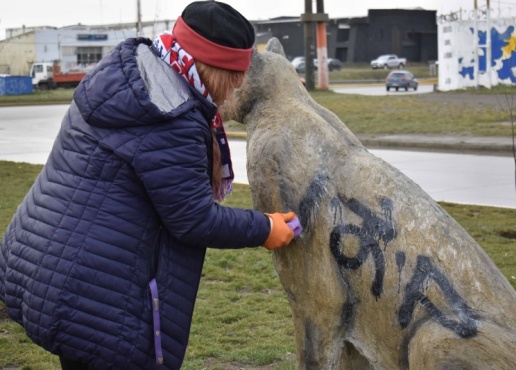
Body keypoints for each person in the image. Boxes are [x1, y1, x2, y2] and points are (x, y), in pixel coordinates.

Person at [0, 1, 300, 369]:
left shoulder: (129, 75)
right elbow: (193, 219)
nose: (236, 87)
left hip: (49, 264)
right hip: (97, 293)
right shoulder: (170, 115)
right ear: (211, 67)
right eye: (233, 76)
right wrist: (266, 228)